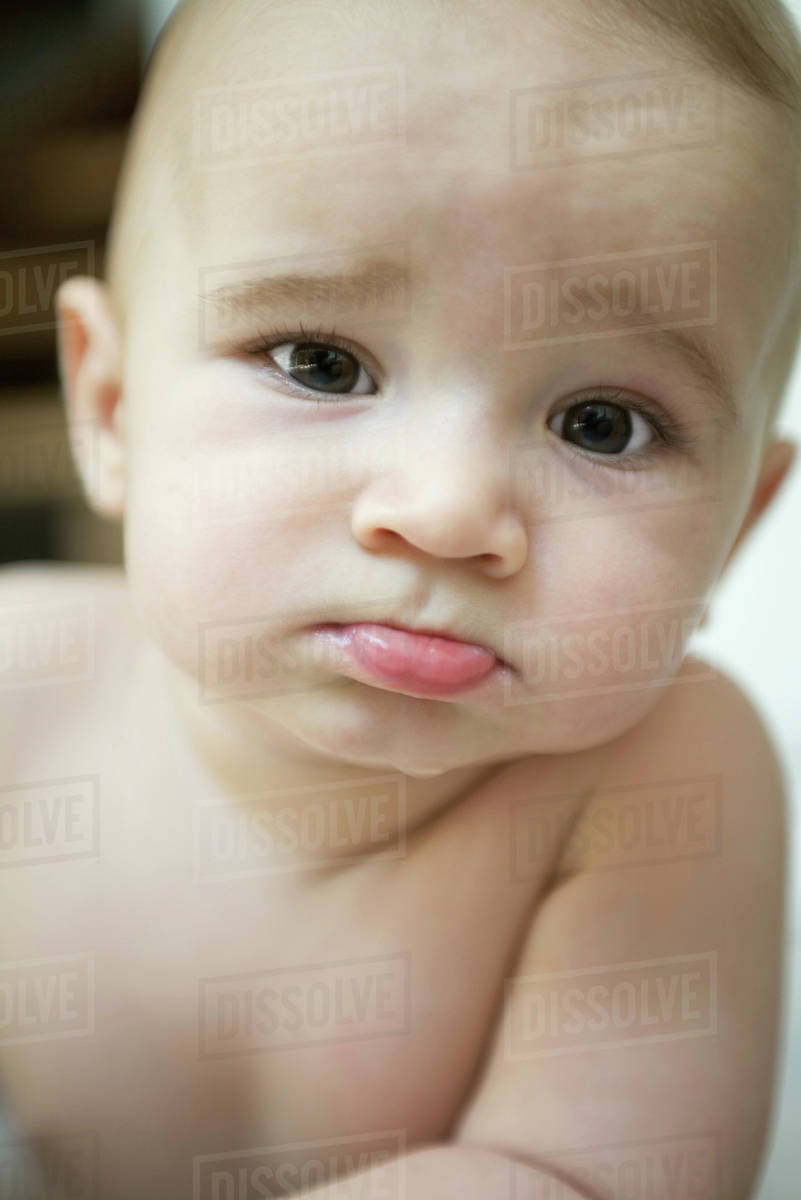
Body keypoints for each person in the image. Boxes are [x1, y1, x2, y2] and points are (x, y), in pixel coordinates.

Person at [2, 0, 800, 1195]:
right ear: (112, 408)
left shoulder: (658, 786)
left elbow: (580, 1182)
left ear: (734, 528)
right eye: (324, 363)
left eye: (603, 425)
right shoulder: (22, 684)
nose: (446, 511)